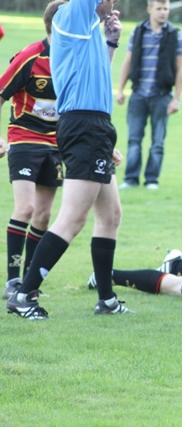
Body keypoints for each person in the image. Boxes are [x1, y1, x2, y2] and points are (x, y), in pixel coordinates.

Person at [7, 0, 128, 319]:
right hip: (85, 126)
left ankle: (106, 300)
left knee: (112, 214)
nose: (112, 4)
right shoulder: (70, 15)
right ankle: (24, 295)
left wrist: (111, 41)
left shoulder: (86, 33)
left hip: (97, 126)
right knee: (73, 218)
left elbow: (98, 73)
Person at [0, 0, 66, 300]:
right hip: (25, 138)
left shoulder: (72, 58)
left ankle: (29, 282)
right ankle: (12, 281)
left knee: (42, 215)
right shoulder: (30, 57)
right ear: (58, 25)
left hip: (55, 144)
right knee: (25, 209)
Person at [117, 0, 182, 191]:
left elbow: (181, 69)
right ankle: (130, 179)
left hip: (162, 95)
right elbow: (127, 62)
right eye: (159, 8)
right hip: (138, 94)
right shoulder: (138, 32)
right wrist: (121, 89)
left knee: (157, 142)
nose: (163, 12)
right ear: (150, 9)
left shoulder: (175, 34)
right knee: (134, 140)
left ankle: (151, 180)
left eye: (166, 9)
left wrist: (176, 99)